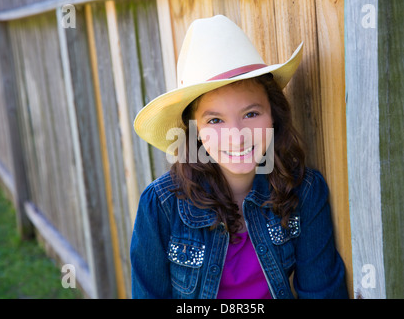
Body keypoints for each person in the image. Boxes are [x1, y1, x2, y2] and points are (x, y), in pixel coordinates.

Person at [130, 15, 348, 299]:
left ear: (274, 116)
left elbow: (322, 293)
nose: (237, 135)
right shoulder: (161, 206)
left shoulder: (305, 192)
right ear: (195, 132)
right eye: (216, 121)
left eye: (251, 114)